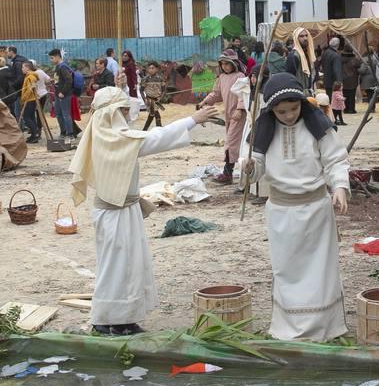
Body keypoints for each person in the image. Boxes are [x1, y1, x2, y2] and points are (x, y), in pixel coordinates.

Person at [66, 87, 218, 335]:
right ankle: (106, 320)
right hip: (114, 214)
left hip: (123, 210)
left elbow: (143, 135)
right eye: (123, 111)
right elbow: (153, 139)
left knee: (130, 266)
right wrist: (193, 119)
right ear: (112, 114)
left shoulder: (110, 135)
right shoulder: (113, 138)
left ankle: (123, 318)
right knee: (117, 267)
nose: (127, 115)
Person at [242, 73, 351, 341]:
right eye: (281, 111)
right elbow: (253, 172)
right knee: (286, 269)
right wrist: (248, 168)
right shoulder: (263, 130)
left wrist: (339, 188)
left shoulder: (317, 126)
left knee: (320, 269)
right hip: (281, 211)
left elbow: (336, 160)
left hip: (316, 208)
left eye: (294, 108)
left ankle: (324, 329)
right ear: (271, 110)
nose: (289, 115)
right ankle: (288, 329)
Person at [201, 51, 249, 185]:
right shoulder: (221, 77)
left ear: (234, 63)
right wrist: (205, 101)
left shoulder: (240, 76)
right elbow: (216, 94)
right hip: (228, 114)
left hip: (238, 115)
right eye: (222, 64)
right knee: (232, 143)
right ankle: (232, 172)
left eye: (227, 63)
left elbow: (243, 94)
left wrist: (240, 109)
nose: (225, 66)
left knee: (230, 142)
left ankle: (227, 173)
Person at [49, 50, 79, 138]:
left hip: (64, 94)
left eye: (52, 58)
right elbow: (60, 79)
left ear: (58, 56)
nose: (51, 60)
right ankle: (63, 132)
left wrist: (63, 92)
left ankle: (70, 134)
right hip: (58, 93)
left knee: (66, 114)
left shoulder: (63, 67)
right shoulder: (58, 66)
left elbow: (69, 80)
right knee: (58, 114)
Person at [19, 61, 46, 143]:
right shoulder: (29, 76)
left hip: (30, 100)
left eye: (23, 67)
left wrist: (24, 98)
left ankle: (35, 132)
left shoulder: (30, 76)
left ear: (27, 68)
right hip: (30, 99)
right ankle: (34, 134)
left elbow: (30, 89)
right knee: (30, 117)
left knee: (27, 117)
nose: (22, 69)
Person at [141, 62, 168, 129]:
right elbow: (141, 90)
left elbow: (164, 90)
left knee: (151, 116)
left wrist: (160, 99)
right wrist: (145, 100)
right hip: (149, 101)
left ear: (157, 69)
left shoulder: (160, 79)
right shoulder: (145, 79)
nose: (151, 70)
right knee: (157, 116)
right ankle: (160, 130)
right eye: (149, 68)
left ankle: (144, 130)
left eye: (153, 68)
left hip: (157, 100)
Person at [339, 39, 360, 115]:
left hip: (344, 79)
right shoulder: (354, 59)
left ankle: (345, 109)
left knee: (345, 94)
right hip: (352, 79)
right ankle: (351, 109)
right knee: (352, 94)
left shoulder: (340, 59)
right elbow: (359, 65)